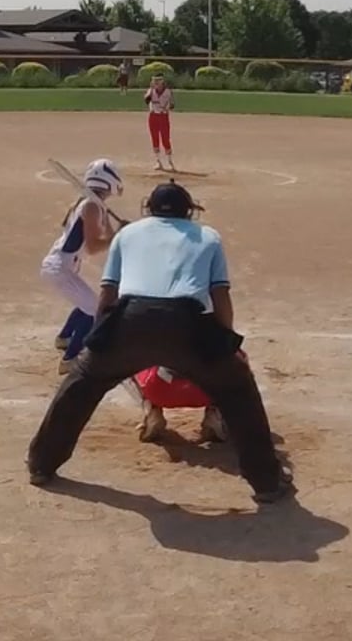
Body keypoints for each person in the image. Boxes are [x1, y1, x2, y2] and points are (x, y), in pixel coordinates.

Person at [27, 181, 293, 504]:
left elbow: (108, 294)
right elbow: (220, 296)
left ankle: (41, 463)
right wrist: (227, 345)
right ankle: (266, 482)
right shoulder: (208, 236)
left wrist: (98, 341)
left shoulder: (127, 234)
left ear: (149, 208)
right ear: (189, 211)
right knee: (238, 388)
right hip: (188, 323)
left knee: (80, 384)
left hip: (130, 320)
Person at [41, 159, 125, 374]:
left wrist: (118, 232)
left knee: (86, 302)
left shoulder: (94, 204)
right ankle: (70, 360)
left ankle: (65, 338)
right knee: (94, 309)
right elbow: (93, 247)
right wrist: (118, 236)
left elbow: (108, 235)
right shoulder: (92, 206)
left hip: (63, 265)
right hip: (60, 268)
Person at [145, 73, 175, 171]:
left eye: (158, 81)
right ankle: (158, 161)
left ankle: (170, 161)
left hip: (163, 116)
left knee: (165, 139)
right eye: (155, 81)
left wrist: (168, 107)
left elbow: (172, 104)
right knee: (155, 138)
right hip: (153, 116)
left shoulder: (168, 92)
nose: (156, 83)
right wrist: (149, 93)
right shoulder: (151, 91)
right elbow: (146, 100)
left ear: (162, 82)